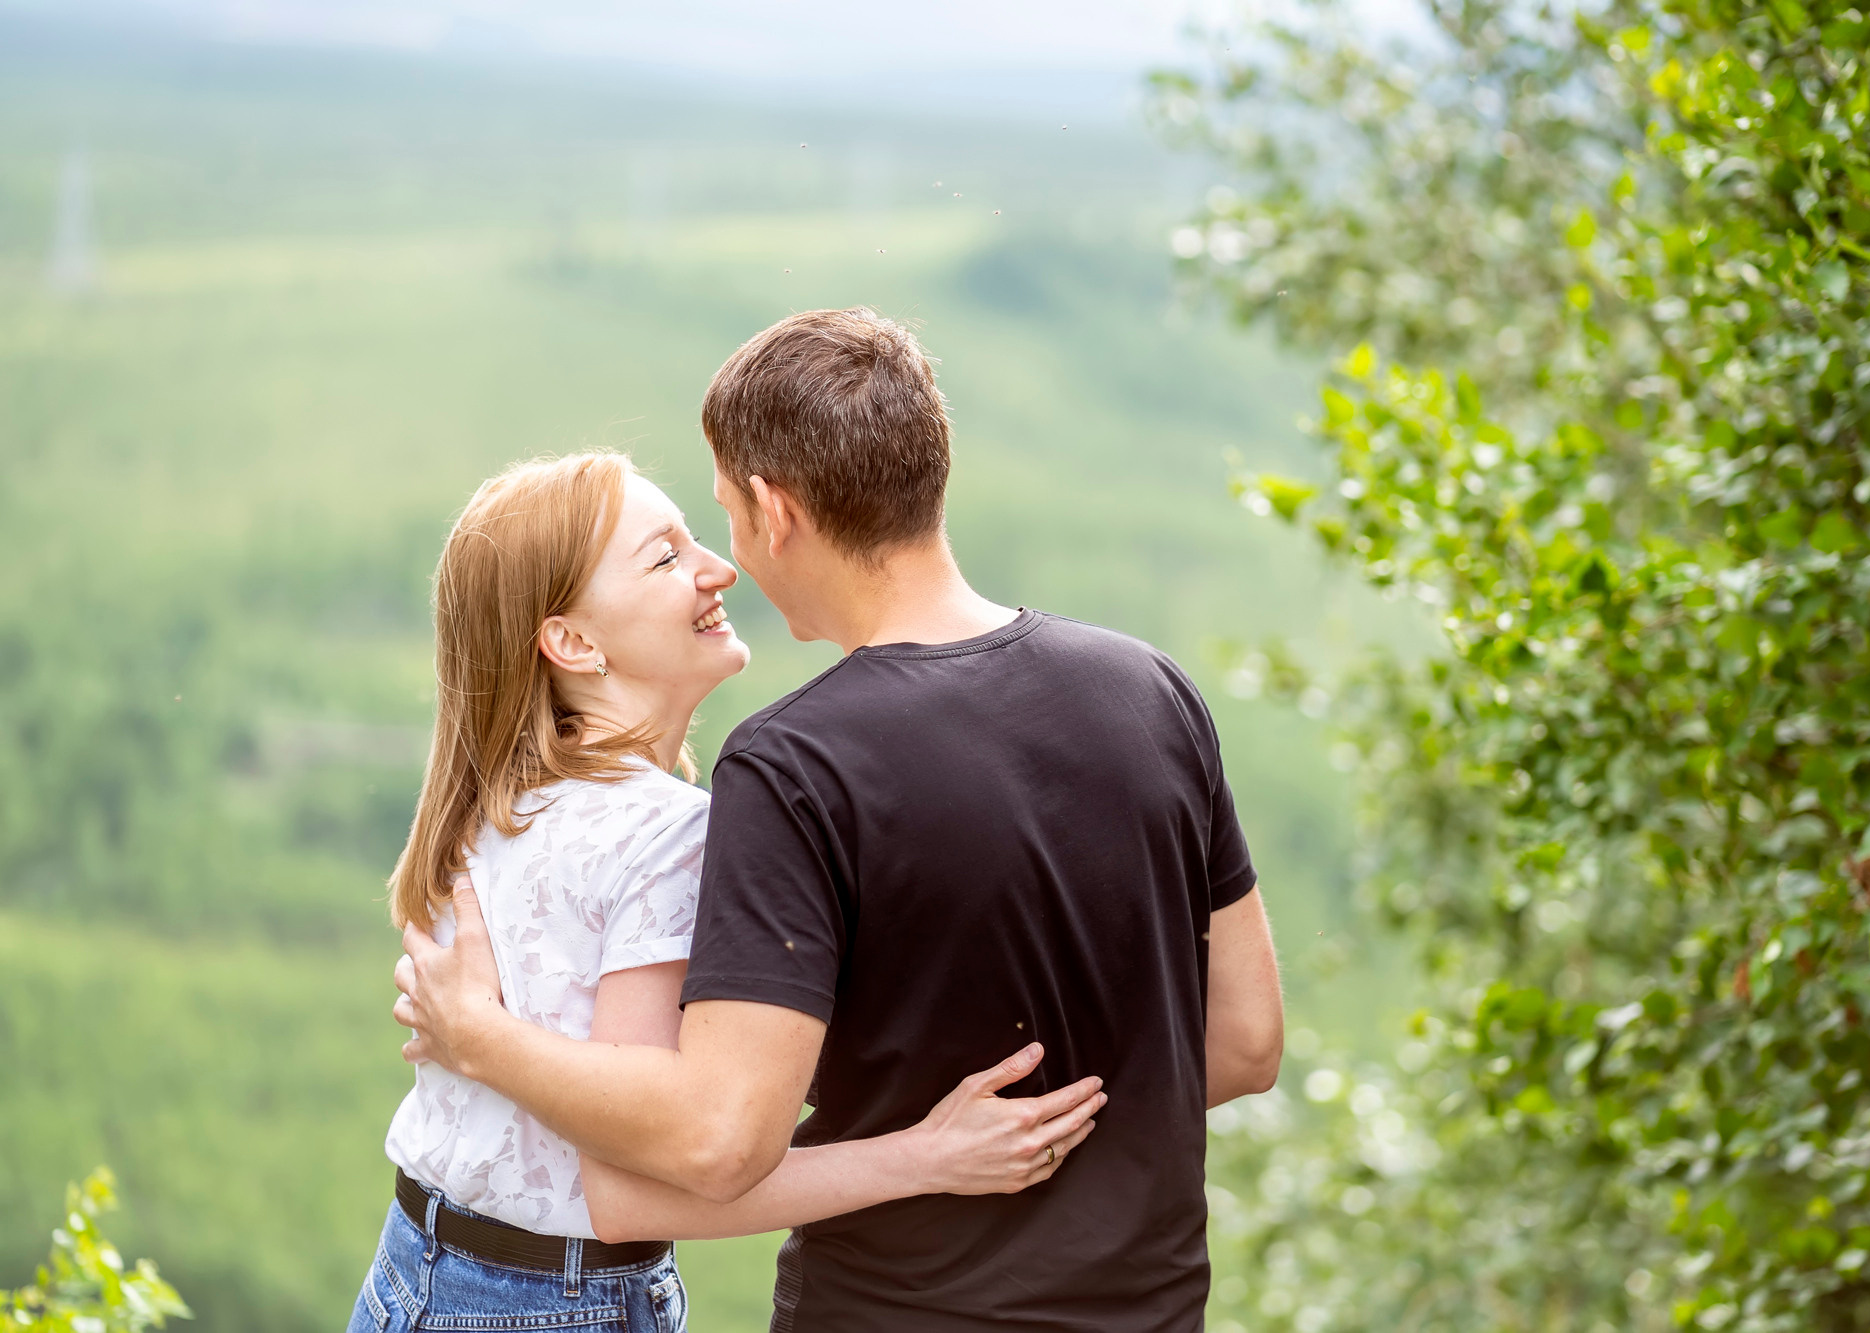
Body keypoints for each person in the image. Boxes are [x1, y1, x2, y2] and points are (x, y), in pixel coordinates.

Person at [396, 307, 1286, 1331]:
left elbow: (720, 1138)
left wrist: (479, 1037)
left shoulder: (793, 766)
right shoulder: (1152, 690)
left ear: (775, 512)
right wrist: (1060, 1125)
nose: (723, 559)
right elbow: (1246, 1041)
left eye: (723, 515)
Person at [351, 451, 1105, 1333]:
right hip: (549, 1300)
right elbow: (648, 1185)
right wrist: (929, 1155)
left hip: (418, 1270)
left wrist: (480, 1036)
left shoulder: (494, 806)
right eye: (666, 557)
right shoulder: (666, 835)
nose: (721, 567)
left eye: (694, 538)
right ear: (574, 643)